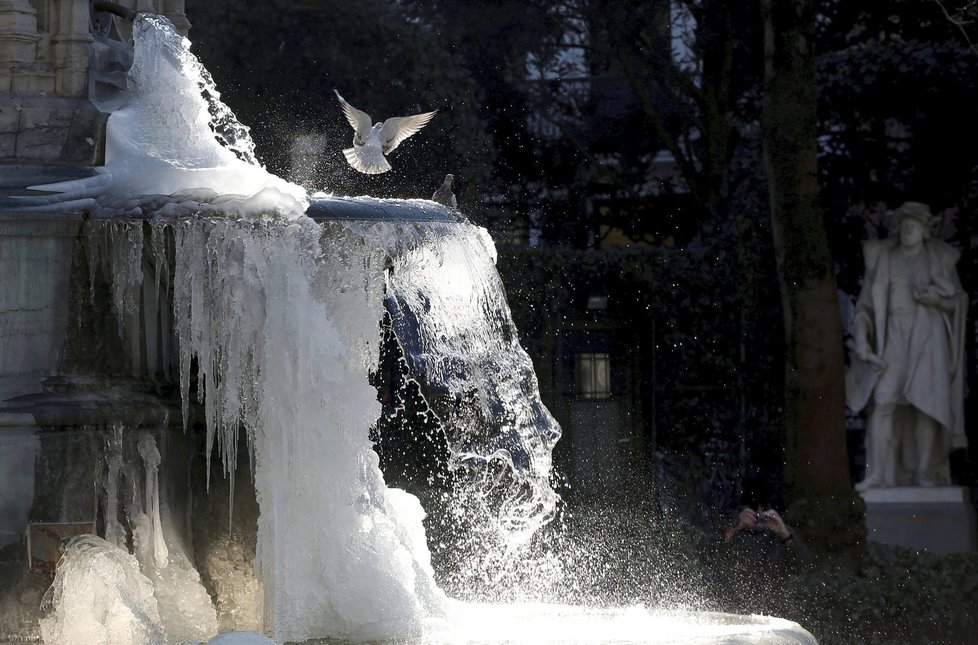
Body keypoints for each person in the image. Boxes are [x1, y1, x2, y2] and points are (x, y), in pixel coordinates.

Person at [847, 202, 968, 490]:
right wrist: (863, 341)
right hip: (893, 337)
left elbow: (957, 301)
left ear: (925, 231)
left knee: (926, 405)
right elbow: (864, 308)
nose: (907, 231)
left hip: (928, 337)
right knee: (884, 401)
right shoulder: (883, 260)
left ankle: (925, 472)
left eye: (914, 226)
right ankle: (879, 473)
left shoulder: (937, 259)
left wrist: (935, 300)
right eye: (903, 226)